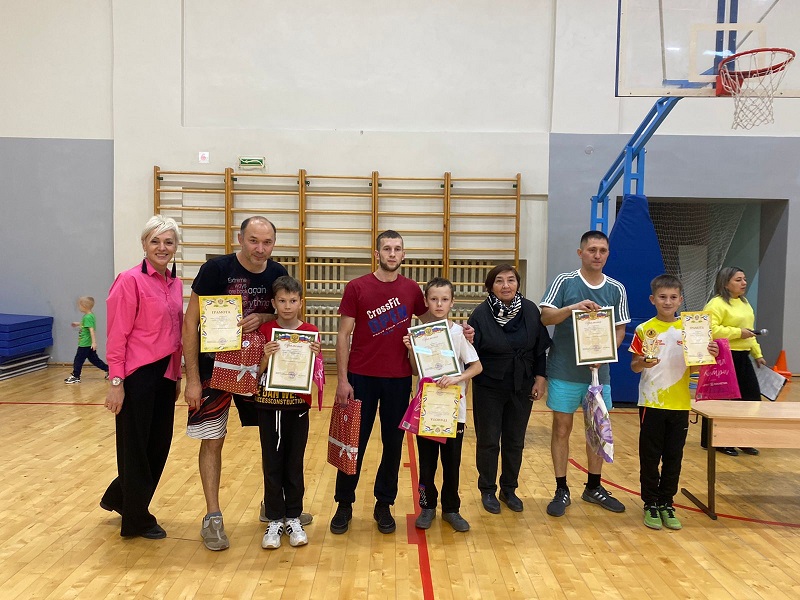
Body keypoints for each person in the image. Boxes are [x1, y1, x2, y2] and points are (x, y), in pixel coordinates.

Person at [183, 216, 312, 552]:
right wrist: (192, 379)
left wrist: (265, 317)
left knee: (273, 439)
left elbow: (283, 313)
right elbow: (190, 322)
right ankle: (213, 517)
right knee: (213, 439)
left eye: (267, 242)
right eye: (253, 240)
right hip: (214, 369)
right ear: (240, 238)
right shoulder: (215, 270)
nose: (260, 248)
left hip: (259, 370)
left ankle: (276, 508)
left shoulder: (276, 271)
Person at [331, 230, 445, 535]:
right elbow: (343, 335)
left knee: (393, 447)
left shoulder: (411, 289)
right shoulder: (357, 287)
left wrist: (460, 331)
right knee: (353, 443)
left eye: (397, 249)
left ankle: (384, 504)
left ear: (403, 254)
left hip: (398, 379)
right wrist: (342, 380)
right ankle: (344, 504)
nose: (392, 254)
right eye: (386, 249)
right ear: (377, 253)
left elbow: (432, 323)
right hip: (361, 378)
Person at [99, 215, 183, 539]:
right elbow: (116, 335)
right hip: (137, 376)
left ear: (175, 246)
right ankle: (136, 519)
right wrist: (116, 383)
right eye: (155, 241)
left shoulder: (175, 284)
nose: (162, 247)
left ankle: (118, 496)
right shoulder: (129, 280)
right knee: (134, 449)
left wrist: (177, 376)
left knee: (158, 446)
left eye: (168, 242)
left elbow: (175, 333)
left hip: (166, 374)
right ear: (144, 244)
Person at [540, 230, 630, 517]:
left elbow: (619, 329)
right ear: (581, 253)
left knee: (597, 430)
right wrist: (571, 308)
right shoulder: (564, 282)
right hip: (564, 371)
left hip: (598, 376)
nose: (597, 255)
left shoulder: (616, 288)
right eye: (592, 250)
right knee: (561, 429)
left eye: (602, 250)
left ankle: (593, 487)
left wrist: (604, 356)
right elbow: (545, 317)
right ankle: (561, 488)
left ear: (608, 254)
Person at [630, 274, 719, 530]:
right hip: (651, 403)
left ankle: (667, 503)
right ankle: (650, 503)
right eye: (662, 297)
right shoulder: (644, 329)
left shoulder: (691, 330)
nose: (667, 302)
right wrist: (642, 362)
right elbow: (635, 366)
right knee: (650, 457)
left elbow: (697, 367)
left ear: (680, 300)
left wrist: (709, 354)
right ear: (652, 299)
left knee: (673, 457)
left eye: (672, 297)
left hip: (680, 404)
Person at [467, 265, 550, 514]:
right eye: (499, 281)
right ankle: (487, 490)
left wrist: (540, 378)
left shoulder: (530, 310)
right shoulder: (480, 315)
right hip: (488, 386)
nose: (506, 285)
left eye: (511, 280)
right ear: (490, 286)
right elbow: (470, 354)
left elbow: (539, 349)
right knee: (489, 441)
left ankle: (509, 489)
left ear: (518, 284)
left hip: (522, 384)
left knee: (515, 441)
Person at [406, 277, 482, 532]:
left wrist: (456, 378)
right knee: (426, 464)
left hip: (453, 410)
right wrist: (411, 349)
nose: (439, 304)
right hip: (427, 409)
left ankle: (451, 509)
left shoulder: (459, 333)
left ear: (452, 302)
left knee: (452, 464)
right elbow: (415, 370)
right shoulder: (419, 334)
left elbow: (476, 366)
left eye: (444, 299)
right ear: (426, 301)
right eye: (434, 299)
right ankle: (427, 507)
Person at [255, 276, 322, 549]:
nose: (287, 306)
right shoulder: (265, 330)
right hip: (269, 405)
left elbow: (316, 374)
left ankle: (293, 516)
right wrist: (265, 355)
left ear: (300, 303)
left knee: (294, 463)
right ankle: (274, 519)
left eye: (292, 301)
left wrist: (315, 356)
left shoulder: (310, 332)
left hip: (297, 406)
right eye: (282, 301)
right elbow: (255, 371)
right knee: (272, 462)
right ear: (273, 302)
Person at [701, 266, 766, 457]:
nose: (744, 283)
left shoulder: (745, 304)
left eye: (744, 279)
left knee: (750, 398)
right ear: (726, 283)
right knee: (722, 401)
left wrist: (757, 354)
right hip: (723, 356)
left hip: (742, 357)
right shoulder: (716, 304)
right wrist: (738, 333)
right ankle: (719, 441)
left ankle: (743, 439)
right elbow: (710, 329)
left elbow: (750, 332)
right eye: (738, 280)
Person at [64, 296, 109, 384]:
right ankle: (109, 369)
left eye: (79, 305)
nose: (79, 307)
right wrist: (78, 324)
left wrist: (94, 342)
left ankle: (76, 376)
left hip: (85, 344)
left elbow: (91, 330)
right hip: (87, 344)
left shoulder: (88, 317)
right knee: (94, 360)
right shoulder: (90, 316)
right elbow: (86, 324)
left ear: (84, 306)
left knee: (78, 360)